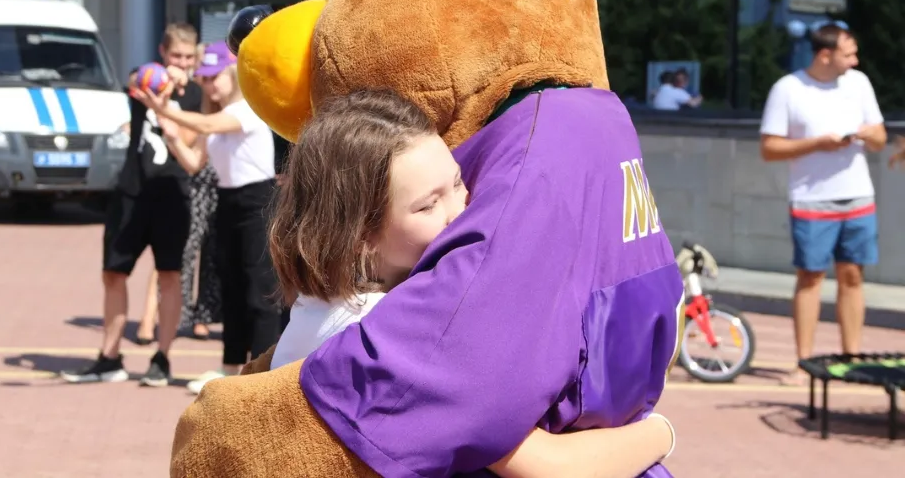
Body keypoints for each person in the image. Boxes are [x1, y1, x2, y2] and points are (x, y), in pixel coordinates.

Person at [267, 89, 676, 477]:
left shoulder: (324, 306)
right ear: (361, 237)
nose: (460, 212)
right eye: (428, 204)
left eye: (459, 183)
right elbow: (553, 467)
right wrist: (660, 432)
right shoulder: (384, 336)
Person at [132, 40, 284, 395]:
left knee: (259, 291)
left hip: (258, 202)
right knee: (230, 289)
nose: (211, 84)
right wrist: (171, 137)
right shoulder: (214, 122)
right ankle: (230, 367)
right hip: (228, 202)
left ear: (232, 74)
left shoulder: (246, 110)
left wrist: (164, 109)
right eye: (205, 79)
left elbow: (203, 124)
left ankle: (262, 372)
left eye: (216, 76)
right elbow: (192, 162)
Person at [61, 22, 202, 387]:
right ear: (163, 52)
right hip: (132, 192)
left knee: (170, 275)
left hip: (172, 195)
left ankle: (162, 357)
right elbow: (135, 76)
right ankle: (109, 357)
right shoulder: (145, 83)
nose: (182, 63)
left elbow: (188, 138)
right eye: (175, 55)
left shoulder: (197, 96)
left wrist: (172, 98)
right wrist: (160, 81)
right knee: (113, 272)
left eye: (188, 57)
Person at [759, 23, 886, 386]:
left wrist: (866, 135)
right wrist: (818, 144)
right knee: (810, 278)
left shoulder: (858, 83)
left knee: (852, 277)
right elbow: (769, 148)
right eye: (849, 54)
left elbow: (879, 137)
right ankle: (803, 363)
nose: (856, 60)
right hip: (812, 199)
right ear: (825, 55)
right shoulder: (788, 89)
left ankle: (852, 357)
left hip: (859, 195)